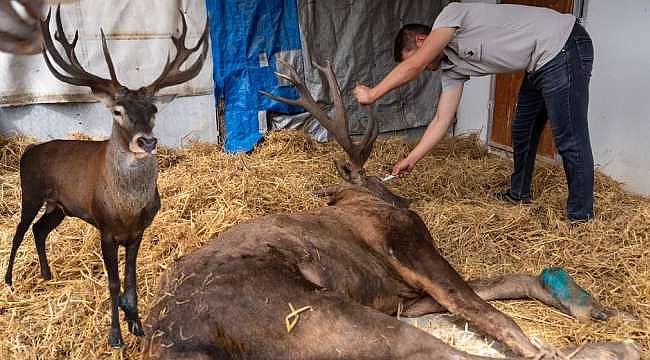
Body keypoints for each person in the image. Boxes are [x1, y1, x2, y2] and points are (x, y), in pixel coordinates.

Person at [353, 2, 595, 222]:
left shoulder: (450, 15)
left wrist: (373, 94)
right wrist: (411, 159)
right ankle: (519, 193)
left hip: (563, 46)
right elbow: (441, 119)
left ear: (421, 40)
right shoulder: (450, 68)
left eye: (420, 60)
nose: (425, 68)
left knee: (569, 138)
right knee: (523, 128)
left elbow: (414, 65)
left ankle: (580, 217)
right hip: (538, 63)